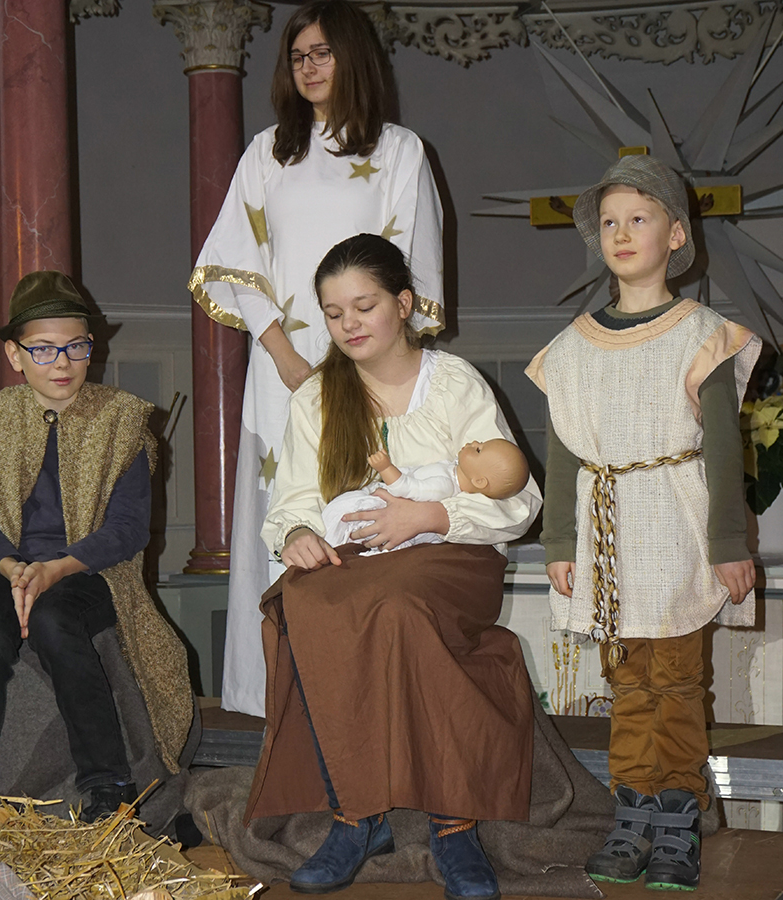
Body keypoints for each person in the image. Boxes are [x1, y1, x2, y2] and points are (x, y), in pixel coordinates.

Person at [245, 234, 542, 900]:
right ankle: (357, 814)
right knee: (305, 601)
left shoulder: (454, 383)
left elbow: (518, 500)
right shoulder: (318, 396)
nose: (348, 324)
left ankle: (453, 824)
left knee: (400, 606)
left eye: (364, 306)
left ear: (403, 304)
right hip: (360, 556)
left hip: (453, 554)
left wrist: (430, 516)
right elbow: (293, 499)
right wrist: (297, 533)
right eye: (333, 313)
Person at [189, 0, 443, 717]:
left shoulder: (398, 151)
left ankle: (362, 698)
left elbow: (409, 272)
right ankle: (279, 698)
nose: (308, 66)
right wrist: (284, 358)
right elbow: (237, 265)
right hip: (282, 371)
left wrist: (362, 363)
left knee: (366, 515)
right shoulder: (268, 153)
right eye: (298, 55)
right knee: (287, 517)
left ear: (354, 57)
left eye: (323, 52)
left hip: (373, 370)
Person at [525, 155, 761, 891]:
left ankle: (678, 816)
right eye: (609, 223)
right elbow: (563, 451)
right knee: (626, 681)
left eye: (639, 218)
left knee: (678, 681)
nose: (622, 234)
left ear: (676, 235)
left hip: (675, 526)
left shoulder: (703, 334)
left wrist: (728, 544)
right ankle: (632, 813)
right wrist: (559, 540)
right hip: (607, 534)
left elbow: (724, 450)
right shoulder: (574, 346)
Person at [0, 271, 195, 828]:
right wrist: (15, 569)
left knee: (56, 622)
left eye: (76, 346)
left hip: (93, 572)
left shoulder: (123, 419)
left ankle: (109, 788)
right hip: (12, 570)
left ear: (91, 347)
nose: (62, 362)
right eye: (43, 348)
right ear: (15, 355)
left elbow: (128, 530)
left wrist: (57, 569)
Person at [322, 438, 529, 551]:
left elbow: (405, 488)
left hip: (386, 513)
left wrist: (385, 468)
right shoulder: (450, 472)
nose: (474, 442)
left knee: (342, 511)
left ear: (480, 482)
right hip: (390, 513)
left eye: (478, 450)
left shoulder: (444, 486)